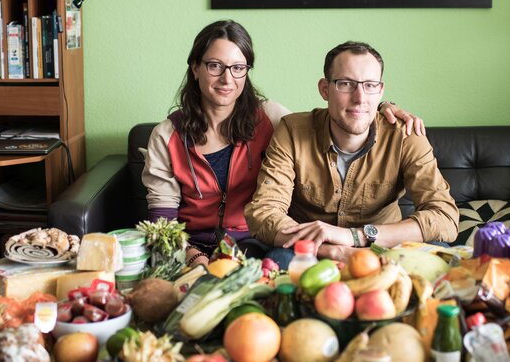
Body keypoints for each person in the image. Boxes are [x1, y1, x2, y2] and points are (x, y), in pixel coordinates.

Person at [142, 22, 425, 268]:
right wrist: (193, 257)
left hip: (252, 245)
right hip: (186, 248)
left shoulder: (272, 118)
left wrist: (384, 108)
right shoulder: (166, 137)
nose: (227, 78)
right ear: (195, 68)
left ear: (247, 71)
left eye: (238, 67)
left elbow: (335, 119)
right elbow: (161, 227)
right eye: (215, 66)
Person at [244, 41, 459, 267]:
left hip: (385, 250)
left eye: (369, 85)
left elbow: (444, 217)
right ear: (325, 89)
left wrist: (355, 237)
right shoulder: (292, 130)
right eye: (346, 84)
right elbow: (265, 212)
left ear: (380, 90)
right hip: (314, 252)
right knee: (279, 260)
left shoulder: (406, 135)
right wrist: (332, 251)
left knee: (442, 256)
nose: (359, 97)